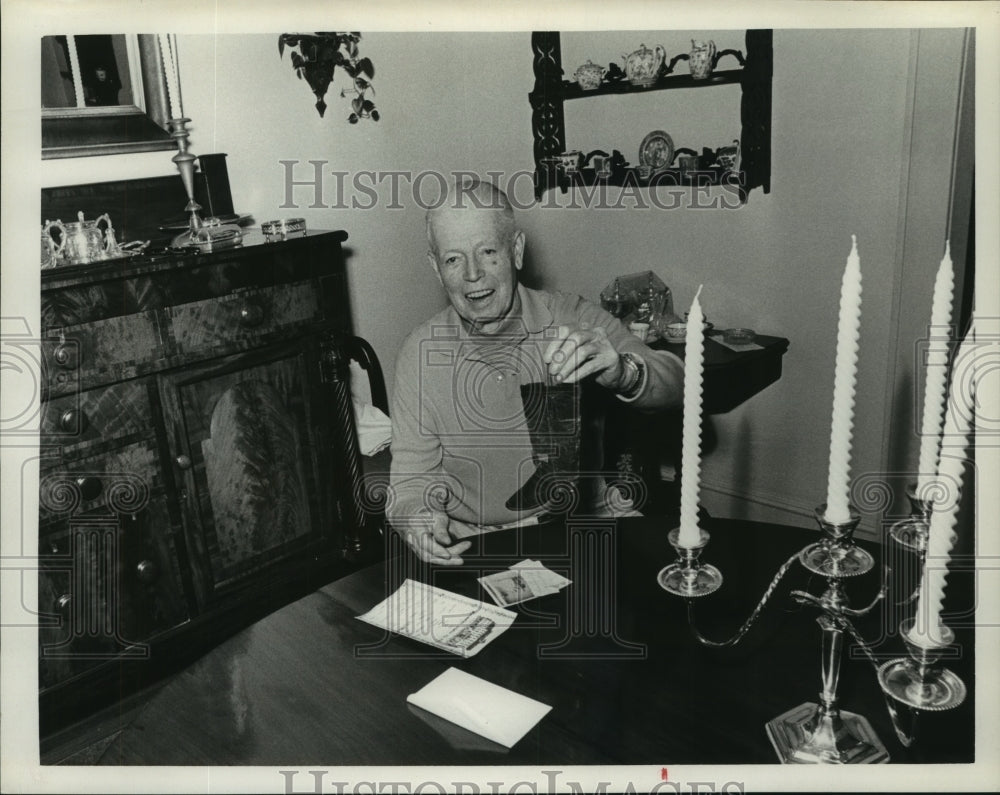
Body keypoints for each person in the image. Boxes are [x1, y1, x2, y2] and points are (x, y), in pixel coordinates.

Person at [387, 179, 684, 564]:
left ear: (517, 251)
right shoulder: (418, 353)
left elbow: (679, 382)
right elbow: (410, 482)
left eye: (488, 251)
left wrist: (624, 372)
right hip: (474, 543)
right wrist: (417, 518)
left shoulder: (571, 317)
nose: (473, 274)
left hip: (583, 521)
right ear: (435, 268)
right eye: (453, 259)